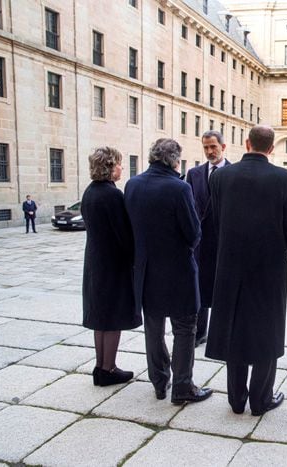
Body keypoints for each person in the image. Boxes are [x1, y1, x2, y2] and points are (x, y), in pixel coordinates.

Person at [206, 125, 287, 416]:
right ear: (271, 148)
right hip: (269, 266)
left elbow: (216, 220)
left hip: (230, 264)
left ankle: (236, 399)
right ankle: (261, 399)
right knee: (266, 329)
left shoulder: (220, 176)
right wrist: (277, 247)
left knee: (234, 328)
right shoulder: (285, 178)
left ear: (247, 144)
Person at [124, 138, 212, 405]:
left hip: (146, 271)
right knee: (185, 328)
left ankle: (160, 382)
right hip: (178, 271)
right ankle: (183, 386)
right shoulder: (179, 188)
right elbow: (193, 233)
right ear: (174, 160)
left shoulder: (132, 185)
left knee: (153, 328)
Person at [81, 147, 141, 386]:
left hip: (95, 261)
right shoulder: (112, 195)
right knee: (113, 317)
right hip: (113, 264)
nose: (121, 168)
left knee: (101, 318)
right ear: (108, 167)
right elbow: (124, 234)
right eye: (118, 164)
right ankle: (109, 368)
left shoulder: (89, 192)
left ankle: (100, 366)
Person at [185, 130, 231, 348]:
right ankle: (199, 332)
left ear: (223, 146)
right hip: (200, 244)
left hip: (224, 242)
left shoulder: (234, 173)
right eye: (206, 147)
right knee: (199, 289)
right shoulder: (193, 174)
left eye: (213, 146)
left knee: (223, 289)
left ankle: (222, 334)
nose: (210, 151)